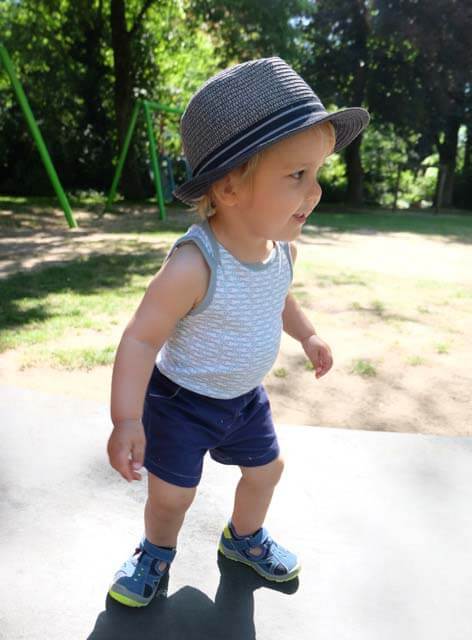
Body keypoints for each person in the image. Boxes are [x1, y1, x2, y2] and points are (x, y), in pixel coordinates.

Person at [106, 56, 370, 607]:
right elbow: (141, 339)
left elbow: (280, 299)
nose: (316, 191)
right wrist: (127, 418)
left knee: (268, 471)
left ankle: (243, 538)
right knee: (173, 496)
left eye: (316, 174)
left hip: (245, 400)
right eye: (297, 175)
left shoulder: (282, 252)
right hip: (181, 403)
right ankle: (155, 552)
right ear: (228, 189)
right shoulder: (193, 265)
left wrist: (308, 335)